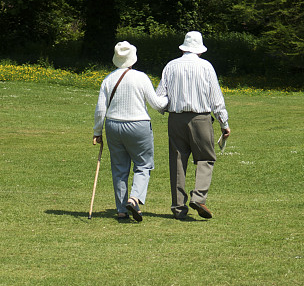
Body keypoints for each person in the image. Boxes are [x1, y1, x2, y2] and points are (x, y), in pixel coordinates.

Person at [156, 31, 231, 219]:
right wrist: (224, 123)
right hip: (201, 118)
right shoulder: (206, 67)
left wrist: (169, 109)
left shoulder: (171, 66)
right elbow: (216, 99)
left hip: (175, 118)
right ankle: (198, 196)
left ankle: (178, 208)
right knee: (206, 157)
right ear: (200, 49)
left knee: (178, 161)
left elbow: (160, 98)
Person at [93, 41, 168, 222]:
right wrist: (168, 98)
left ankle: (121, 210)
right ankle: (134, 199)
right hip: (138, 125)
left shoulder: (108, 79)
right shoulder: (141, 77)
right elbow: (157, 104)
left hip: (113, 125)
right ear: (133, 58)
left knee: (119, 168)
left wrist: (97, 131)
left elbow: (100, 109)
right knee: (143, 164)